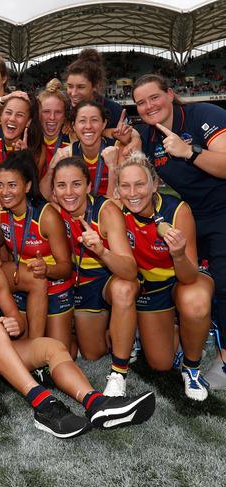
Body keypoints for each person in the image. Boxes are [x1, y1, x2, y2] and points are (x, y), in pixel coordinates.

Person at [0, 216, 154, 438]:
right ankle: (44, 406)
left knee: (53, 347)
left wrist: (16, 324)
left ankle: (96, 403)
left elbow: (18, 320)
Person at [132, 73, 226, 388]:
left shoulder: (205, 116)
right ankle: (180, 334)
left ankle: (224, 359)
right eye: (141, 103)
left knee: (224, 282)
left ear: (170, 94)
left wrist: (190, 152)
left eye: (154, 97)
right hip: (188, 215)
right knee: (183, 277)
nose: (148, 106)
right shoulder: (147, 137)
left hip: (222, 210)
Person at [116, 151, 213, 400]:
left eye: (140, 184)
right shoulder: (117, 212)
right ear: (117, 189)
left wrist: (179, 254)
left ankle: (191, 367)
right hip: (151, 289)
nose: (133, 193)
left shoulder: (178, 210)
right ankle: (176, 331)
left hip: (183, 278)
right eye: (125, 186)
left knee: (195, 301)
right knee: (160, 363)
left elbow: (189, 276)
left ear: (155, 184)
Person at [51, 156, 139, 396]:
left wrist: (102, 251)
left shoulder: (106, 211)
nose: (69, 192)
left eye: (76, 184)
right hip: (81, 284)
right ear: (54, 190)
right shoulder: (55, 210)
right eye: (61, 185)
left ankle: (119, 372)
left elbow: (131, 271)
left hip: (108, 278)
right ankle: (120, 329)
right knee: (91, 353)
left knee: (124, 289)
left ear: (89, 186)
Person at [0, 152, 74, 342]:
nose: (5, 191)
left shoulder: (47, 217)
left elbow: (66, 267)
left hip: (55, 283)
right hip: (23, 281)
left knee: (64, 350)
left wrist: (46, 269)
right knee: (18, 344)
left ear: (28, 186)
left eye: (12, 185)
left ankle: (68, 334)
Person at [41, 100, 122, 200]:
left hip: (110, 210)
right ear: (74, 126)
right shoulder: (66, 154)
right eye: (82, 121)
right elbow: (45, 197)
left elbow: (117, 201)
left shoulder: (118, 149)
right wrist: (51, 170)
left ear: (104, 124)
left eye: (94, 120)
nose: (88, 126)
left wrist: (112, 168)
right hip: (79, 211)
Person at [0, 92, 43, 183]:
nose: (12, 119)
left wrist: (24, 159)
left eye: (19, 115)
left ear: (28, 121)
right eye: (8, 112)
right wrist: (4, 99)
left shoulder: (37, 149)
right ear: (1, 115)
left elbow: (31, 186)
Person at [64, 48, 123, 128]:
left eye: (81, 87)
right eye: (70, 86)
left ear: (96, 86)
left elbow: (133, 136)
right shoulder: (63, 110)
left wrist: (107, 133)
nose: (73, 93)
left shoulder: (114, 111)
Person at [36, 79, 71, 178]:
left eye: (58, 112)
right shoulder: (29, 138)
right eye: (46, 111)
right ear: (38, 113)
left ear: (65, 115)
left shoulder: (73, 140)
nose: (52, 117)